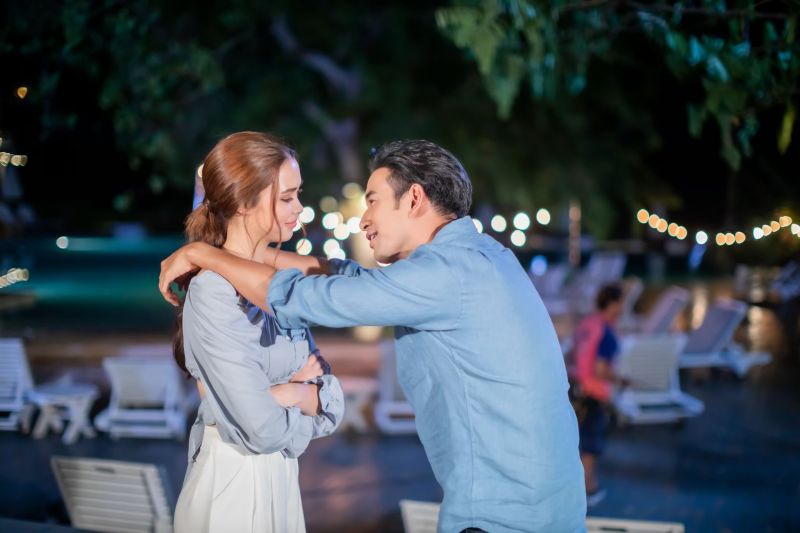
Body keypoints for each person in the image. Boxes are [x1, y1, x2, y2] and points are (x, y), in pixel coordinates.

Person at [161, 139, 586, 533]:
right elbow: (343, 278)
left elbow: (306, 301)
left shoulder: (445, 274)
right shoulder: (481, 257)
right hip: (544, 511)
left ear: (414, 198)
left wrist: (204, 253)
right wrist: (233, 257)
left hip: (502, 517)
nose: (363, 220)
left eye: (373, 201)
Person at [171, 131, 343, 533]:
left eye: (298, 195)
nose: (299, 208)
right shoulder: (212, 291)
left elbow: (333, 404)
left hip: (282, 479)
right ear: (244, 203)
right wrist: (300, 393)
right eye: (287, 198)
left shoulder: (278, 286)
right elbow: (261, 430)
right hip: (234, 484)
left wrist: (276, 397)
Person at [570, 283, 625, 506]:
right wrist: (621, 379)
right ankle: (588, 489)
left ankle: (579, 487)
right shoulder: (607, 333)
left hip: (577, 388)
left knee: (579, 440)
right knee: (591, 444)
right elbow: (601, 369)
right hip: (594, 394)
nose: (622, 308)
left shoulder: (587, 324)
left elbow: (573, 354)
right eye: (620, 303)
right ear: (612, 304)